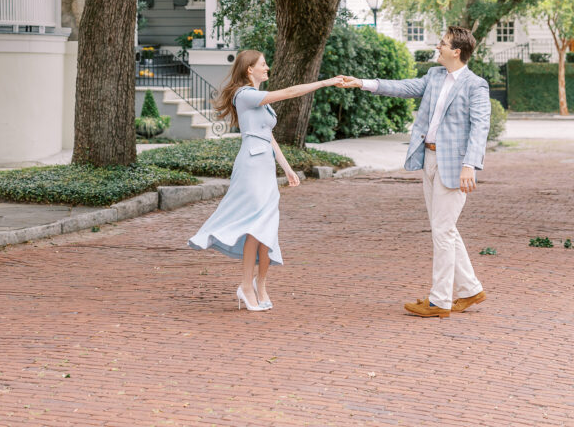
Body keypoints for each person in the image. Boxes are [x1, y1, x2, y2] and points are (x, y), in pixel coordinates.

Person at [345, 25, 491, 318]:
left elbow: (480, 128)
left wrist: (469, 166)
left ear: (456, 51)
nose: (437, 47)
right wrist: (361, 82)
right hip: (430, 159)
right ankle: (471, 290)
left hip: (455, 166)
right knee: (445, 228)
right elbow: (402, 87)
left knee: (442, 230)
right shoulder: (435, 76)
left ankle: (439, 301)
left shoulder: (476, 85)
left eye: (442, 43)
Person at [188, 49, 349, 312]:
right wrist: (325, 82)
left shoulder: (260, 100)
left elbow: (268, 136)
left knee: (267, 228)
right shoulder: (245, 94)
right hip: (251, 167)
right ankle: (245, 286)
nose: (267, 67)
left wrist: (287, 168)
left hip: (265, 166)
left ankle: (260, 284)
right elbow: (288, 93)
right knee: (255, 226)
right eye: (263, 64)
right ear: (249, 69)